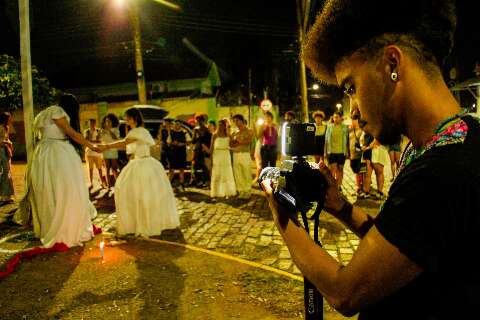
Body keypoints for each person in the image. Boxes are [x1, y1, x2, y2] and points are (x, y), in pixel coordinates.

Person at [262, 1, 474, 318]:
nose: (353, 110)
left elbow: (345, 291)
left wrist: (282, 216)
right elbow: (403, 241)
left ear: (392, 63)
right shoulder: (448, 140)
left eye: (350, 87)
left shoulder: (443, 170)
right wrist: (340, 206)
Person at [15, 94, 98, 248]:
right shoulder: (57, 111)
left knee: (49, 190)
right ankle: (64, 226)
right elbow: (72, 133)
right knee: (65, 190)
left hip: (43, 153)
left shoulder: (44, 113)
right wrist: (91, 146)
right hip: (58, 153)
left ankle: (52, 223)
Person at [99, 108, 179, 237]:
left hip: (142, 164)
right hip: (140, 163)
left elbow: (124, 143)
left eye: (127, 118)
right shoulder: (139, 131)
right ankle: (139, 220)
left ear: (134, 118)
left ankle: (144, 222)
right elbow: (129, 148)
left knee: (139, 193)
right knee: (135, 192)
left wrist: (106, 146)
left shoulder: (138, 131)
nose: (125, 120)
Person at [210, 119, 236, 199]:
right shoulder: (214, 135)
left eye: (222, 125)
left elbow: (232, 145)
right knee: (217, 174)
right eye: (219, 125)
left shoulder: (228, 135)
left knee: (226, 174)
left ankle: (228, 192)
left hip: (226, 155)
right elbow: (211, 148)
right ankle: (216, 192)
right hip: (217, 155)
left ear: (225, 126)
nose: (220, 127)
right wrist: (211, 160)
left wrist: (231, 136)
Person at [230, 114, 253, 199]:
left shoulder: (249, 130)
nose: (236, 122)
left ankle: (247, 191)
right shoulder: (234, 132)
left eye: (237, 120)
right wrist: (236, 141)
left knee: (246, 172)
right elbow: (231, 143)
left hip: (245, 154)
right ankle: (241, 190)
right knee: (238, 174)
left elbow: (249, 141)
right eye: (234, 121)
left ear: (242, 120)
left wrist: (239, 141)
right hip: (236, 154)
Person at [325, 111, 349, 188]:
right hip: (331, 151)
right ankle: (333, 185)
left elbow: (347, 140)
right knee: (333, 169)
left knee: (340, 169)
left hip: (342, 152)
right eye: (334, 117)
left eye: (337, 117)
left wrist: (348, 151)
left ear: (341, 118)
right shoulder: (329, 127)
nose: (335, 119)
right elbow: (326, 140)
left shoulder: (345, 127)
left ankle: (339, 185)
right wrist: (325, 151)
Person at [84, 118, 107, 188]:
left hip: (97, 152)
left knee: (99, 168)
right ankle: (91, 182)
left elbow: (100, 141)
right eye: (90, 123)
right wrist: (93, 140)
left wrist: (91, 141)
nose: (92, 124)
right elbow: (86, 141)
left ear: (95, 123)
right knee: (90, 168)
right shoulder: (87, 131)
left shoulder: (98, 130)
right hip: (89, 152)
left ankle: (102, 182)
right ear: (89, 124)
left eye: (93, 123)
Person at [100, 113, 120, 189]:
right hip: (105, 150)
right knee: (107, 168)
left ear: (113, 122)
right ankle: (109, 185)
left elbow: (116, 138)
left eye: (109, 121)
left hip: (113, 150)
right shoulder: (103, 131)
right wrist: (101, 133)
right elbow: (100, 140)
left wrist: (109, 131)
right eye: (106, 121)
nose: (107, 123)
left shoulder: (115, 129)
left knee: (114, 168)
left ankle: (118, 185)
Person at [191, 114, 212, 187]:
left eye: (198, 120)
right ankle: (200, 181)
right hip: (199, 148)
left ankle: (204, 181)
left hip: (202, 148)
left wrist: (206, 148)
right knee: (198, 165)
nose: (198, 122)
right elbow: (193, 141)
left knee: (202, 165)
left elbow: (208, 140)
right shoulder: (197, 129)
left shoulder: (205, 129)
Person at [169, 120, 187, 192]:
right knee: (171, 169)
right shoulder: (172, 133)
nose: (176, 125)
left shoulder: (184, 133)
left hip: (181, 153)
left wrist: (181, 144)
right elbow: (168, 142)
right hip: (173, 153)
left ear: (180, 125)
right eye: (176, 124)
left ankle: (181, 185)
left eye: (178, 124)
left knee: (181, 169)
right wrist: (173, 143)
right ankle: (168, 185)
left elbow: (188, 142)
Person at [0, 112, 14, 205]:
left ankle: (7, 195)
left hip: (6, 150)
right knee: (4, 171)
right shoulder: (0, 127)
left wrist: (8, 143)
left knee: (7, 172)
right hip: (1, 151)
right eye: (9, 118)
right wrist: (7, 142)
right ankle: (4, 196)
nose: (11, 120)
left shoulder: (6, 127)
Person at [348, 112, 364, 196]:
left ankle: (359, 187)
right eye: (352, 120)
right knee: (355, 170)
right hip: (352, 154)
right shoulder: (350, 130)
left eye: (355, 120)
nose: (353, 122)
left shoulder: (362, 130)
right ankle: (359, 186)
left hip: (359, 155)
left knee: (359, 171)